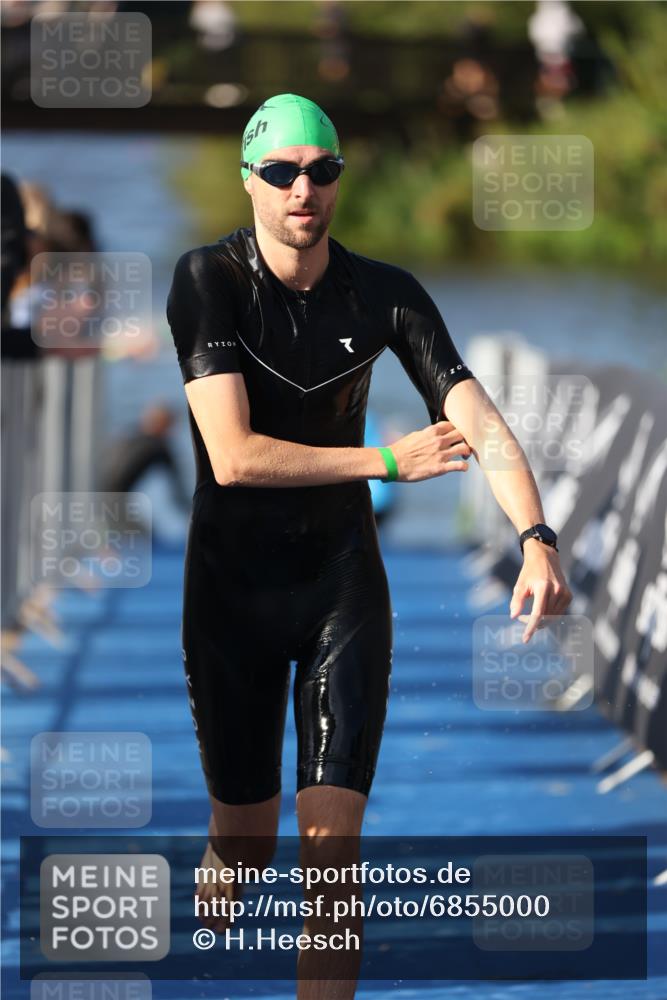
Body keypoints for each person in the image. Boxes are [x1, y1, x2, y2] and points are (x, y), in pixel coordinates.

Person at [166, 92, 572, 997]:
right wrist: (386, 460)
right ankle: (225, 856)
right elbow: (231, 458)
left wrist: (537, 537)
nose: (301, 188)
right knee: (249, 842)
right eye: (281, 172)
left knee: (332, 852)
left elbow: (478, 420)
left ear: (339, 180)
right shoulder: (209, 280)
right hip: (229, 595)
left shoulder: (384, 292)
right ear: (249, 181)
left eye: (322, 170)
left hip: (339, 588)